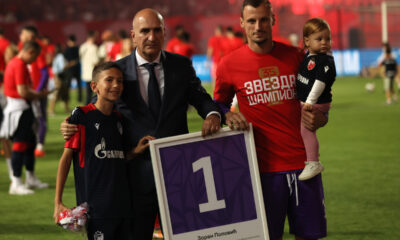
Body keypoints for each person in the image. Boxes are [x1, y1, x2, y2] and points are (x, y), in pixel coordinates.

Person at [60, 8, 222, 240]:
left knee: (186, 236)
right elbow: (96, 107)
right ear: (133, 35)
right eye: (144, 31)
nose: (151, 36)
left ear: (164, 33)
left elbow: (200, 97)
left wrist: (213, 114)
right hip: (134, 178)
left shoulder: (181, 65)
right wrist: (72, 122)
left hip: (178, 173)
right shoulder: (118, 71)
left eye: (157, 30)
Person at [213, 1, 328, 239]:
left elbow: (321, 103)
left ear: (273, 20)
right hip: (260, 171)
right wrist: (227, 114)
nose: (258, 26)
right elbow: (219, 103)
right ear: (242, 24)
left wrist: (321, 117)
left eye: (264, 19)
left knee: (311, 236)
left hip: (304, 167)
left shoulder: (296, 57)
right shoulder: (228, 65)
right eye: (252, 21)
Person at [53, 62, 154, 240]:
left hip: (123, 206)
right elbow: (66, 159)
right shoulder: (82, 116)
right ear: (94, 86)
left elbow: (117, 158)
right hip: (96, 210)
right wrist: (57, 202)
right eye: (109, 80)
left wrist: (135, 151)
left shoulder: (119, 119)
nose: (116, 85)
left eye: (120, 81)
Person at [1, 41, 49, 195]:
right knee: (20, 145)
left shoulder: (15, 63)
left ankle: (30, 178)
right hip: (20, 110)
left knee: (29, 144)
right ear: (30, 52)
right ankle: (16, 182)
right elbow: (23, 91)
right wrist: (39, 95)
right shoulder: (19, 64)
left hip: (23, 108)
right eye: (35, 56)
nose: (35, 61)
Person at [296, 18, 336, 181]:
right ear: (307, 41)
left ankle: (313, 162)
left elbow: (320, 83)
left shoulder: (325, 60)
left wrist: (309, 102)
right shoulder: (309, 55)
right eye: (319, 39)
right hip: (308, 101)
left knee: (306, 130)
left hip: (316, 103)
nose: (324, 43)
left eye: (327, 39)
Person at [79, 30, 99, 105]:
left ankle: (86, 108)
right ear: (93, 37)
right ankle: (89, 107)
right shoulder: (94, 48)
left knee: (88, 92)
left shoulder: (82, 47)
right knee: (94, 93)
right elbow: (95, 62)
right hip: (93, 73)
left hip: (85, 72)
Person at [64, 34, 82, 103]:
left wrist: (71, 63)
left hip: (72, 69)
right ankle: (77, 99)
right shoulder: (77, 48)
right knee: (76, 85)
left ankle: (69, 99)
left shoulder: (69, 49)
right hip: (74, 68)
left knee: (70, 85)